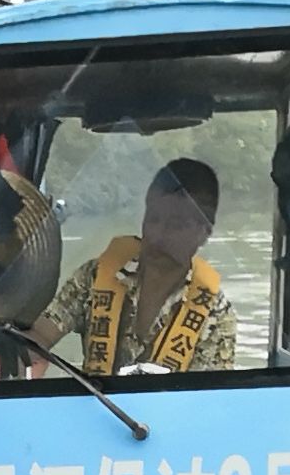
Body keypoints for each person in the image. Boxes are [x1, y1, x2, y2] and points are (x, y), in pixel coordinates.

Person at [36, 159, 238, 378]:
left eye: (176, 224)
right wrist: (27, 351)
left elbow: (209, 397)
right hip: (93, 408)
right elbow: (41, 335)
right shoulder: (96, 274)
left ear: (204, 232)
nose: (159, 234)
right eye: (153, 219)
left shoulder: (216, 312)